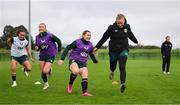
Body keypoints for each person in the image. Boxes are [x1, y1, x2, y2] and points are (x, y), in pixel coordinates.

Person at [93, 13, 141, 93]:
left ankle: (123, 84)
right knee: (113, 65)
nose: (120, 24)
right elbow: (104, 38)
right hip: (113, 50)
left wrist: (136, 42)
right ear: (116, 21)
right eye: (118, 23)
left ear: (124, 20)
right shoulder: (111, 28)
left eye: (121, 23)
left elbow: (130, 35)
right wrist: (97, 47)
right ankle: (112, 71)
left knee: (122, 66)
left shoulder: (127, 27)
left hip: (124, 49)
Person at [58, 30, 98, 96]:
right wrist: (62, 59)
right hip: (74, 60)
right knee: (76, 71)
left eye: (90, 35)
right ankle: (70, 84)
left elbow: (91, 54)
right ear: (83, 35)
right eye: (88, 35)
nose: (89, 36)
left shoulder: (90, 45)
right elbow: (67, 48)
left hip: (83, 63)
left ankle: (84, 92)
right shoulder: (77, 42)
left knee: (85, 75)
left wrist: (95, 61)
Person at [35, 23, 62, 90]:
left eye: (42, 27)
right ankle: (46, 84)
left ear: (45, 28)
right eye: (40, 27)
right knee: (42, 71)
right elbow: (38, 47)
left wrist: (59, 50)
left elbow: (58, 41)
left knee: (45, 71)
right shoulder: (37, 37)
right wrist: (37, 48)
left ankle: (49, 69)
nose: (41, 28)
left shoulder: (50, 35)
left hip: (50, 54)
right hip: (42, 55)